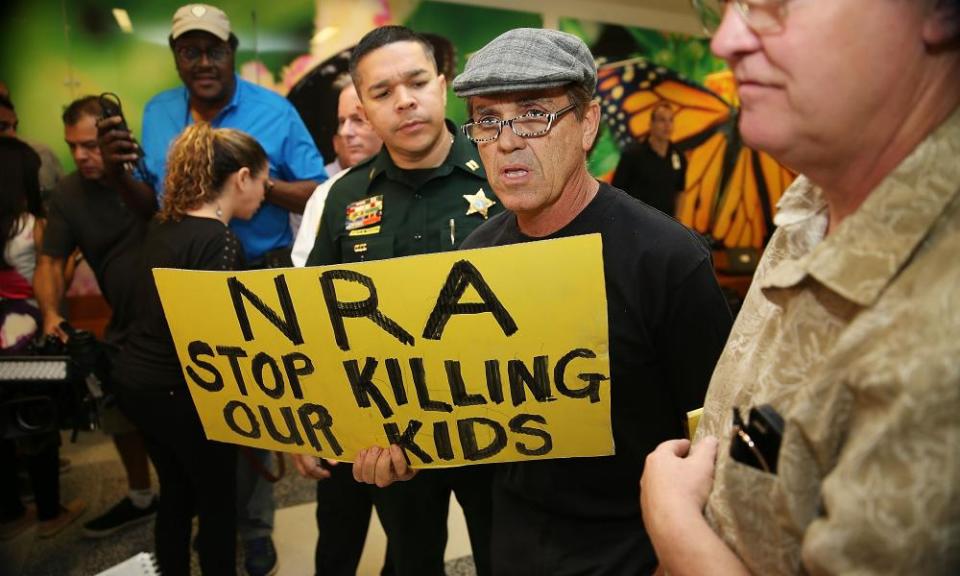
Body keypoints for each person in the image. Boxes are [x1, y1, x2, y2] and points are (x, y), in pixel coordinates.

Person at [354, 27, 733, 575]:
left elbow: (716, 436)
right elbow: (470, 411)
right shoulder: (477, 257)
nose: (507, 141)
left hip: (638, 551)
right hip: (513, 543)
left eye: (534, 114)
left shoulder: (667, 259)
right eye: (487, 119)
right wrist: (410, 452)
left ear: (588, 125)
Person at [640, 1, 960, 575]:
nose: (726, 41)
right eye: (724, 8)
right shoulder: (813, 200)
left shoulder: (940, 329)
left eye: (771, 4)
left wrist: (674, 525)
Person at [97, 5, 326, 573]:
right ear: (176, 56)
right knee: (222, 426)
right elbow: (150, 206)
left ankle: (256, 528)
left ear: (231, 51)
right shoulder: (155, 114)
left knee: (248, 410)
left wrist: (258, 185)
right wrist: (120, 173)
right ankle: (223, 528)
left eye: (214, 49)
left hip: (253, 269)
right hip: (184, 301)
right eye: (189, 50)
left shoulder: (275, 110)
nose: (202, 61)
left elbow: (316, 191)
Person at [296, 25, 501, 576]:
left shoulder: (504, 172)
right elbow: (315, 317)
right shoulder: (344, 197)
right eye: (382, 93)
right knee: (411, 562)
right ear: (362, 105)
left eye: (416, 82)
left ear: (443, 83)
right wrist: (308, 423)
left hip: (501, 425)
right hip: (392, 437)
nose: (404, 101)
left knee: (510, 556)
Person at [114, 122, 268, 575]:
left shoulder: (164, 226)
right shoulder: (219, 240)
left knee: (176, 494)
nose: (264, 191)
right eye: (263, 179)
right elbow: (214, 342)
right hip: (182, 394)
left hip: (136, 385)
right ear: (241, 178)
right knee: (218, 503)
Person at [33, 96, 159, 539]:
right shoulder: (69, 193)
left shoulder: (150, 171)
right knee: (118, 411)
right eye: (74, 147)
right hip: (125, 325)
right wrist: (49, 313)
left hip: (177, 323)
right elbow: (50, 261)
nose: (83, 156)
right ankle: (143, 496)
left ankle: (212, 501)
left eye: (91, 145)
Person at [0, 137, 86, 540]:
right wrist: (72, 259)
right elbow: (53, 281)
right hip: (28, 335)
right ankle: (51, 512)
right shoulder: (33, 225)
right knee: (36, 419)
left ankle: (10, 509)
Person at [291, 75, 383, 267]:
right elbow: (303, 276)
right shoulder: (327, 193)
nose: (345, 132)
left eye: (358, 120)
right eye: (342, 121)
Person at [611, 101, 687, 216]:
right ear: (651, 124)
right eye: (662, 120)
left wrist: (678, 223)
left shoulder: (679, 157)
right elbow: (617, 192)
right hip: (636, 223)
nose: (667, 125)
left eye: (671, 120)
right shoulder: (632, 155)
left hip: (666, 226)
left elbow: (680, 191)